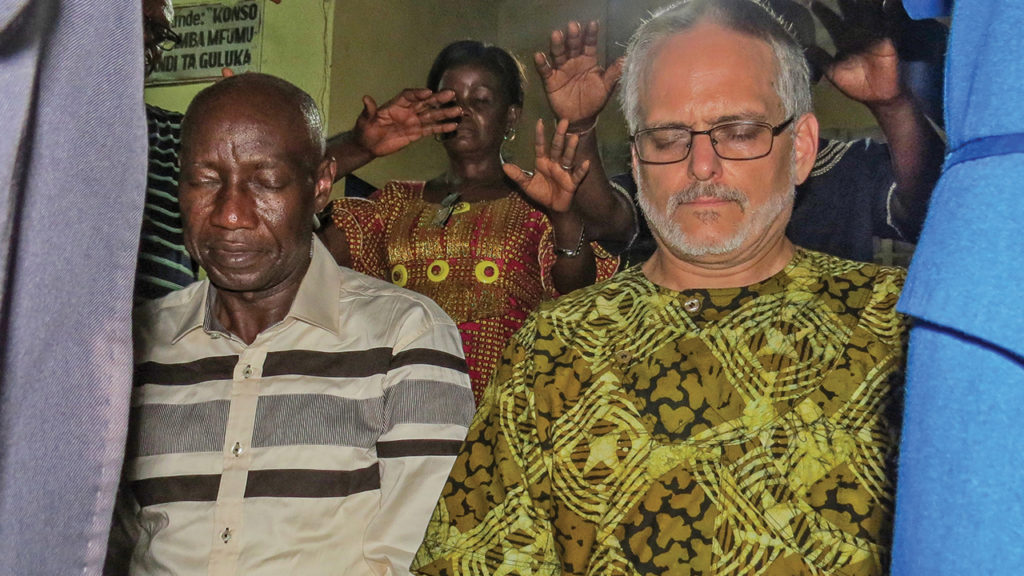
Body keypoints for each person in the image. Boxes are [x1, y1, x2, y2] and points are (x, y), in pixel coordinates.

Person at [412, 1, 908, 574]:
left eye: (739, 131)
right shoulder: (555, 349)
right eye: (669, 137)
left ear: (800, 147)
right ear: (639, 160)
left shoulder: (893, 327)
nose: (701, 165)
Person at [108, 73, 475, 575]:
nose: (230, 215)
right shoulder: (135, 346)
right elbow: (110, 543)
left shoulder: (404, 337)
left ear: (321, 185)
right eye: (205, 180)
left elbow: (427, 553)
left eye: (266, 182)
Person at [320, 41, 625, 401]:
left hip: (505, 416)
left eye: (480, 101)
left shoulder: (540, 198)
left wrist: (563, 215)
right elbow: (291, 229)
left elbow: (579, 292)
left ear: (511, 116)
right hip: (403, 414)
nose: (462, 112)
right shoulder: (391, 205)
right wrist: (360, 146)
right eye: (450, 101)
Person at [536, 0, 944, 265]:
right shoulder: (675, 159)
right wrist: (583, 124)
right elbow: (609, 219)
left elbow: (930, 212)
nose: (704, 167)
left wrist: (894, 106)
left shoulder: (847, 168)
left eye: (741, 131)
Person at [135, 0, 463, 301]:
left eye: (159, 31)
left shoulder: (173, 134)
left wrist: (358, 145)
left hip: (154, 356)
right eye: (132, 20)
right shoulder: (83, 134)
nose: (146, 39)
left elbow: (277, 170)